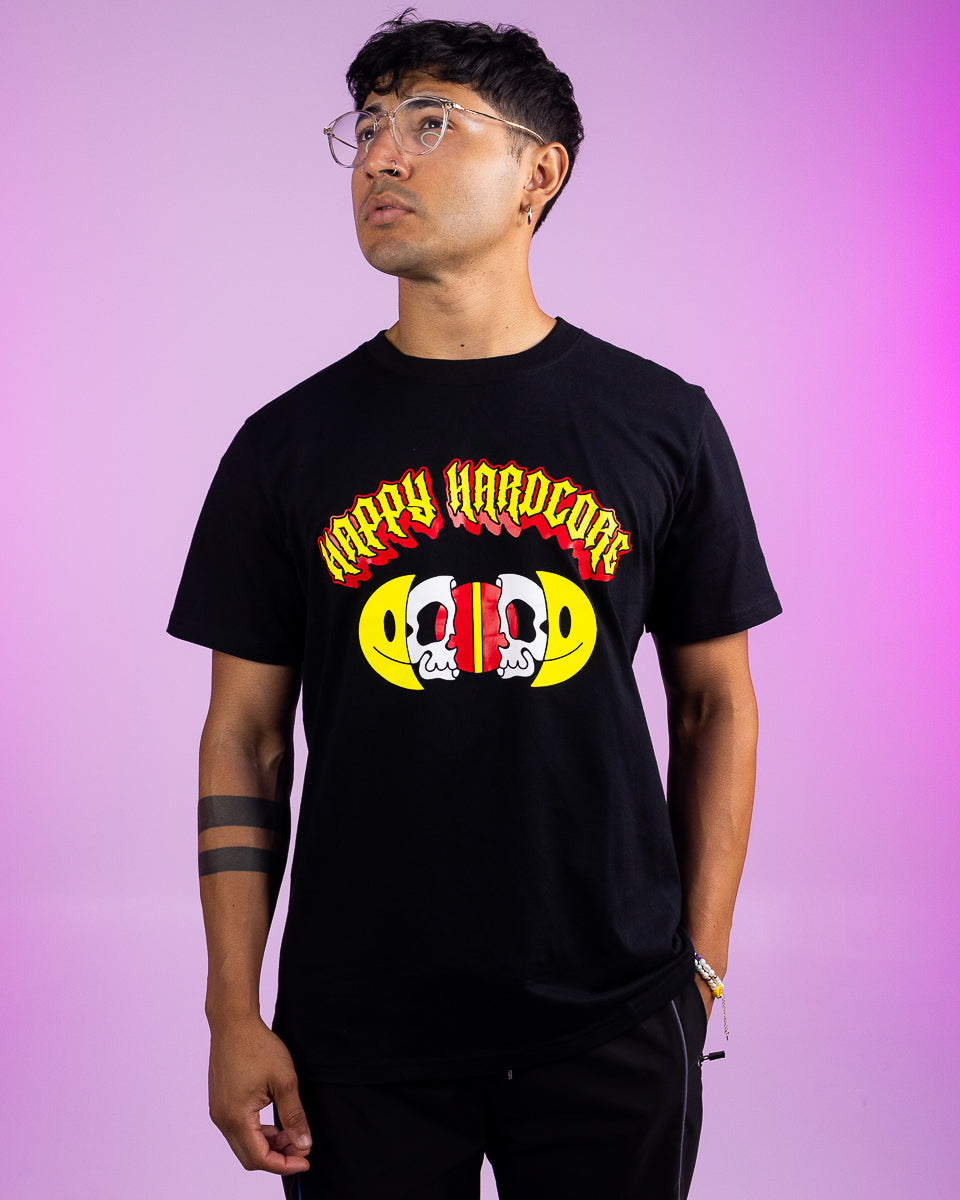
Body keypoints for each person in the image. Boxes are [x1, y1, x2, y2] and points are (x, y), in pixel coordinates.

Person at [168, 13, 781, 1199]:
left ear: (539, 174)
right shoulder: (284, 446)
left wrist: (698, 969)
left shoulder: (662, 423)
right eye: (367, 127)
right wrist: (230, 1012)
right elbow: (243, 740)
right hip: (358, 1025)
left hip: (612, 1009)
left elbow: (716, 707)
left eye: (431, 122)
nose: (382, 156)